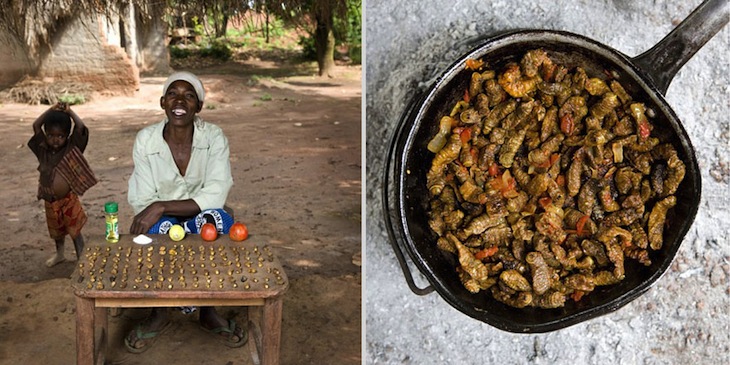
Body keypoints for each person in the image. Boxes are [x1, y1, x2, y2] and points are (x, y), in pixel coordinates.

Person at [124, 71, 247, 353]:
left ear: (199, 106)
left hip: (198, 213)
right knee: (154, 234)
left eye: (189, 96)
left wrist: (163, 205)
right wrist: (158, 210)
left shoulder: (214, 137)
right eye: (173, 94)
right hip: (161, 219)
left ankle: (207, 310)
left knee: (217, 225)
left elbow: (216, 192)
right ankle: (160, 311)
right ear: (162, 102)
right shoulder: (146, 139)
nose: (180, 100)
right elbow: (142, 196)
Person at [28, 102, 98, 267]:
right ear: (46, 135)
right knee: (56, 231)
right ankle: (60, 254)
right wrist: (50, 110)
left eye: (60, 136)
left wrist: (70, 111)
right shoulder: (42, 149)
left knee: (75, 231)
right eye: (51, 135)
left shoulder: (71, 148)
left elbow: (80, 127)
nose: (55, 140)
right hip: (50, 200)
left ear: (67, 135)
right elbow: (36, 125)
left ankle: (81, 257)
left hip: (68, 200)